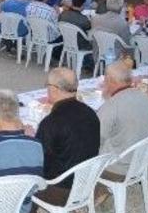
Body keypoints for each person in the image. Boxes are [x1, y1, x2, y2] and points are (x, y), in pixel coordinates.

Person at [32, 67, 99, 196]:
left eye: (48, 86)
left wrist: (29, 140)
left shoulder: (52, 122)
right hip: (86, 181)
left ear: (54, 89)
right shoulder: (91, 113)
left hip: (60, 189)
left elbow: (38, 160)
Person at [97, 61, 148, 176]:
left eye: (105, 79)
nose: (103, 83)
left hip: (116, 166)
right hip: (140, 160)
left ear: (111, 81)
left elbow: (96, 138)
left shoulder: (113, 104)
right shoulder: (145, 97)